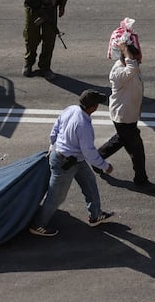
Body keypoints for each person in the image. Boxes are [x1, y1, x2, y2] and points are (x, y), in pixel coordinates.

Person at [28, 90, 114, 237]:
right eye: (98, 103)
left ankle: (95, 215)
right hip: (65, 163)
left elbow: (56, 127)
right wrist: (105, 166)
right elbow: (89, 152)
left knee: (90, 183)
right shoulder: (84, 125)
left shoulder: (71, 109)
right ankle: (38, 225)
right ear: (93, 107)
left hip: (71, 158)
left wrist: (52, 144)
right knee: (56, 197)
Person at [96, 41, 155, 194]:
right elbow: (132, 67)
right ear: (126, 59)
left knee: (120, 140)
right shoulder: (119, 72)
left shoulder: (129, 67)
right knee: (137, 150)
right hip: (123, 117)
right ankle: (141, 180)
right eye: (135, 59)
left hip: (129, 115)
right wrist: (124, 48)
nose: (139, 61)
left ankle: (97, 159)